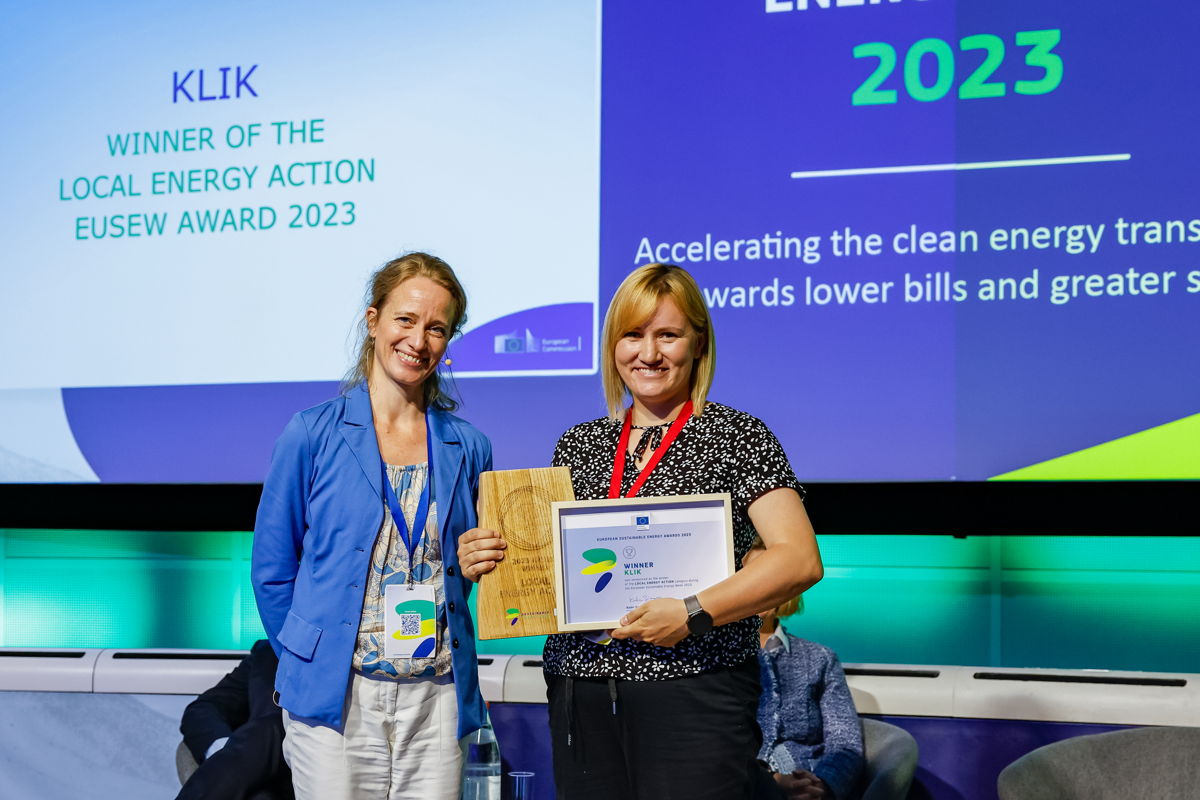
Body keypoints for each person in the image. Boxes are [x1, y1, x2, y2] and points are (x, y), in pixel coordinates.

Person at [459, 263, 824, 799]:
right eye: (633, 335)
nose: (648, 353)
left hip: (694, 692)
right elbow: (551, 568)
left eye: (668, 335)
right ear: (613, 345)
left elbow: (799, 560)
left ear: (698, 343)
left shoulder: (737, 436)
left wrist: (692, 612)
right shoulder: (579, 444)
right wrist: (490, 556)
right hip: (581, 690)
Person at [252, 252, 492, 800]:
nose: (418, 340)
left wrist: (478, 561)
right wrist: (307, 661)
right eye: (405, 320)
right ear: (374, 320)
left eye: (437, 328)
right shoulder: (311, 434)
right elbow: (272, 569)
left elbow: (463, 567)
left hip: (437, 697)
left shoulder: (470, 447)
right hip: (338, 698)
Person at [744, 541, 865, 800]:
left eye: (771, 576)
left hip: (809, 784)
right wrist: (767, 784)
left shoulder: (820, 658)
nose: (760, 586)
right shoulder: (714, 660)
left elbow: (844, 742)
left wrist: (824, 785)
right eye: (749, 575)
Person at [176, 639, 294, 800]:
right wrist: (231, 753)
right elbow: (204, 708)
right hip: (255, 783)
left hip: (307, 778)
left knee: (273, 728)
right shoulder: (270, 651)